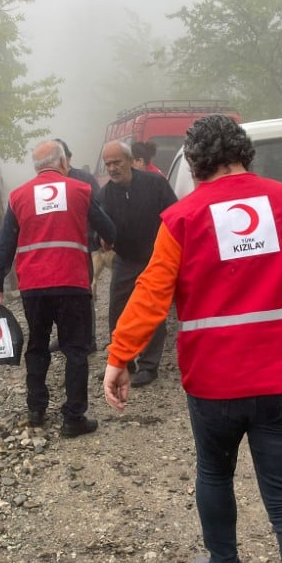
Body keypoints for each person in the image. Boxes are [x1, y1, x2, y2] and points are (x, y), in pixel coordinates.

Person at [102, 115, 282, 563]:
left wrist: (119, 355)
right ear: (246, 155)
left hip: (214, 384)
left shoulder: (183, 218)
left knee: (215, 473)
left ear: (193, 164)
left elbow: (151, 291)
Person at [0, 140, 116, 438]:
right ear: (63, 163)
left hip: (34, 287)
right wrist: (105, 240)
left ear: (36, 167)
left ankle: (36, 410)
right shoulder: (79, 190)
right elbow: (109, 229)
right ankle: (73, 418)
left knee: (38, 346)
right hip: (72, 283)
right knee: (76, 350)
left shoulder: (18, 197)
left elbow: (5, 245)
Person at [99, 140, 177, 386]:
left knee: (152, 311)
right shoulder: (105, 194)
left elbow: (174, 216)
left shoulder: (155, 184)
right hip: (125, 259)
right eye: (108, 164)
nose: (112, 168)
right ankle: (123, 361)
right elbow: (96, 227)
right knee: (118, 311)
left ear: (130, 161)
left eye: (117, 163)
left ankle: (149, 365)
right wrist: (100, 239)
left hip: (154, 258)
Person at [50, 138, 99, 353]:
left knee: (83, 293)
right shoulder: (47, 185)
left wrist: (95, 239)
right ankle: (65, 337)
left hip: (81, 247)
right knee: (59, 295)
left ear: (68, 158)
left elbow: (100, 211)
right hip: (56, 250)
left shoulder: (84, 180)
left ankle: (89, 339)